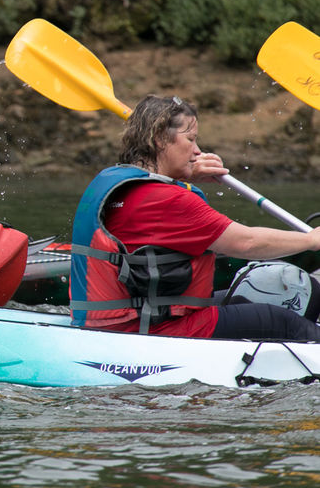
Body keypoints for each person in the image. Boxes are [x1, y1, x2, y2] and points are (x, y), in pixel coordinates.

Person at [70, 94, 320, 341]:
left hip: (111, 321)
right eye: (190, 139)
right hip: (150, 328)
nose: (198, 150)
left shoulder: (111, 180)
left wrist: (181, 175)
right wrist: (310, 240)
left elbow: (149, 220)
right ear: (159, 139)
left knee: (258, 294)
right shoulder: (170, 200)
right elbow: (247, 243)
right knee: (283, 322)